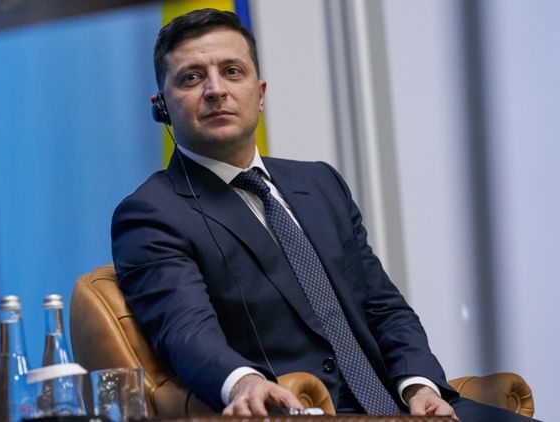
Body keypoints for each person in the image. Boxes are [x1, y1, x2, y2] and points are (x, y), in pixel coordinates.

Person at [111, 8, 535, 421]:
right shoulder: (151, 213)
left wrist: (419, 386)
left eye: (232, 71)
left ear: (260, 94)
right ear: (161, 106)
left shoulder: (319, 183)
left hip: (403, 406)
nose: (215, 89)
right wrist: (243, 383)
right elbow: (185, 329)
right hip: (300, 410)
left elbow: (384, 307)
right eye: (191, 77)